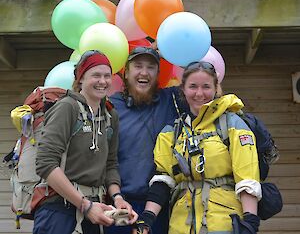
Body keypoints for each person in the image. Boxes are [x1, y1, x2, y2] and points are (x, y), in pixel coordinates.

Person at [133, 61, 262, 234]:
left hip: (224, 224)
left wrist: (250, 222)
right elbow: (163, 178)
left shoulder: (232, 124)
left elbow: (247, 177)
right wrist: (148, 217)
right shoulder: (171, 132)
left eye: (206, 86)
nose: (199, 93)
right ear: (183, 90)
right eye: (193, 86)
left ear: (216, 88)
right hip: (181, 225)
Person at [33, 50, 138, 234]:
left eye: (107, 75)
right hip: (59, 210)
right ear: (80, 79)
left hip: (93, 211)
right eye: (95, 75)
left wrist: (118, 198)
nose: (103, 81)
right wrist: (84, 205)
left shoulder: (110, 115)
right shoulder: (67, 107)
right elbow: (46, 164)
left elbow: (110, 165)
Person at [105, 47, 187, 234]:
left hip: (161, 204)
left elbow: (199, 84)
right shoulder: (110, 106)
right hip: (120, 203)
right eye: (138, 66)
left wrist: (171, 47)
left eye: (151, 67)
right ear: (126, 73)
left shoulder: (172, 99)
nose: (144, 72)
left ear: (158, 74)